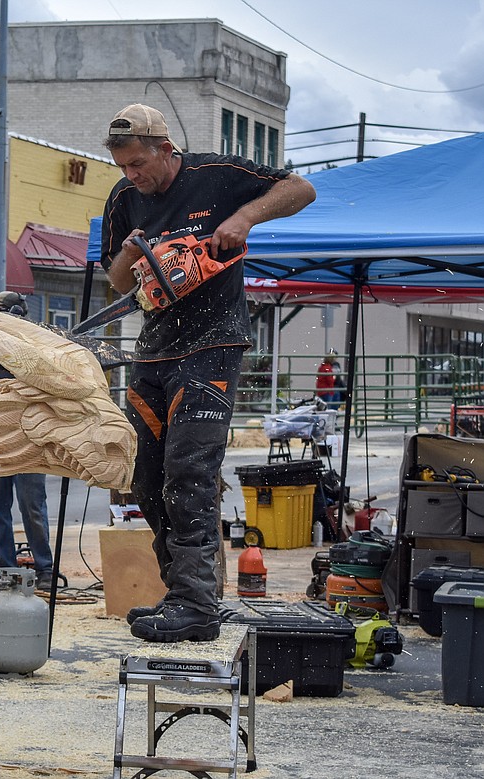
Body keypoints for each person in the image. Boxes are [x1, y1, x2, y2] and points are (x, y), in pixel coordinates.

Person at [99, 104, 316, 642]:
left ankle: (197, 604)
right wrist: (133, 254)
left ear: (165, 150)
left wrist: (243, 219)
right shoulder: (124, 200)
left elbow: (301, 189)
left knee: (189, 474)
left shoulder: (216, 176)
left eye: (139, 163)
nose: (133, 175)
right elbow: (114, 280)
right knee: (147, 481)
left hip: (213, 344)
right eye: (124, 166)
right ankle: (182, 595)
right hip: (153, 351)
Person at [0, 290, 56, 593]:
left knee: (32, 507)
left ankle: (45, 569)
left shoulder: (31, 351)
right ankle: (3, 570)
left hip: (28, 440)